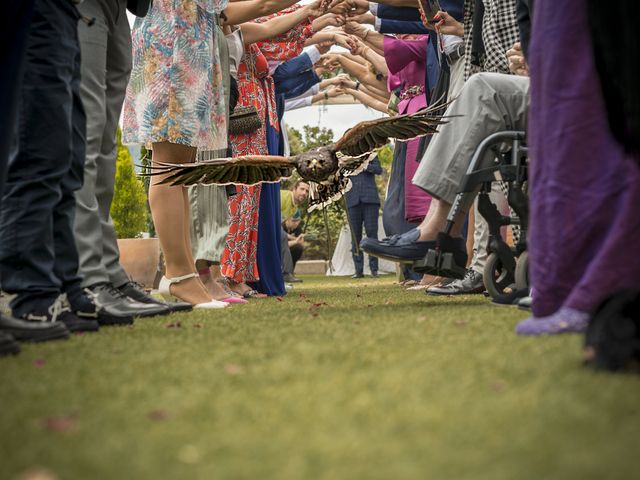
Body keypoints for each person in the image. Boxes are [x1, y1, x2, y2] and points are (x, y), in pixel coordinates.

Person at [74, 0, 182, 320]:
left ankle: (110, 273)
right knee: (88, 137)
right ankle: (88, 276)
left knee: (106, 144)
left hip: (120, 7)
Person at [0, 0, 103, 334]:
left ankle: (62, 284)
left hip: (66, 14)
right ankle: (30, 295)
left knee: (67, 158)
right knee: (39, 152)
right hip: (38, 12)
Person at [345, 156, 383, 278]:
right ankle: (358, 271)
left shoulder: (370, 154)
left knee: (372, 235)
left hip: (370, 200)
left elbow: (379, 169)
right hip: (352, 201)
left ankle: (374, 270)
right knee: (355, 238)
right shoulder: (345, 158)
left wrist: (365, 166)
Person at [280, 180, 310, 283]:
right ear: (294, 189)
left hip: (275, 227)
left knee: (284, 239)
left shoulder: (294, 207)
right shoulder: (285, 196)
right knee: (282, 237)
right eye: (302, 189)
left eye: (307, 191)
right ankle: (286, 274)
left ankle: (287, 274)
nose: (304, 193)